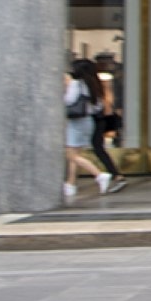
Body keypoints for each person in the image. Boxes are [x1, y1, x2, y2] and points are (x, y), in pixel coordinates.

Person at [62, 60, 111, 201]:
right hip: (88, 121)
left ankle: (99, 175)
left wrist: (66, 86)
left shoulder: (77, 84)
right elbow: (97, 106)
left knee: (72, 156)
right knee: (76, 154)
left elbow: (69, 101)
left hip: (76, 121)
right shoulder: (93, 84)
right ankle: (70, 184)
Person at [85, 63, 127, 193]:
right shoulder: (97, 83)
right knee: (98, 149)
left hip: (95, 119)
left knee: (93, 149)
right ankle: (114, 174)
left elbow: (108, 104)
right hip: (99, 119)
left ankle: (113, 174)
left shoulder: (95, 84)